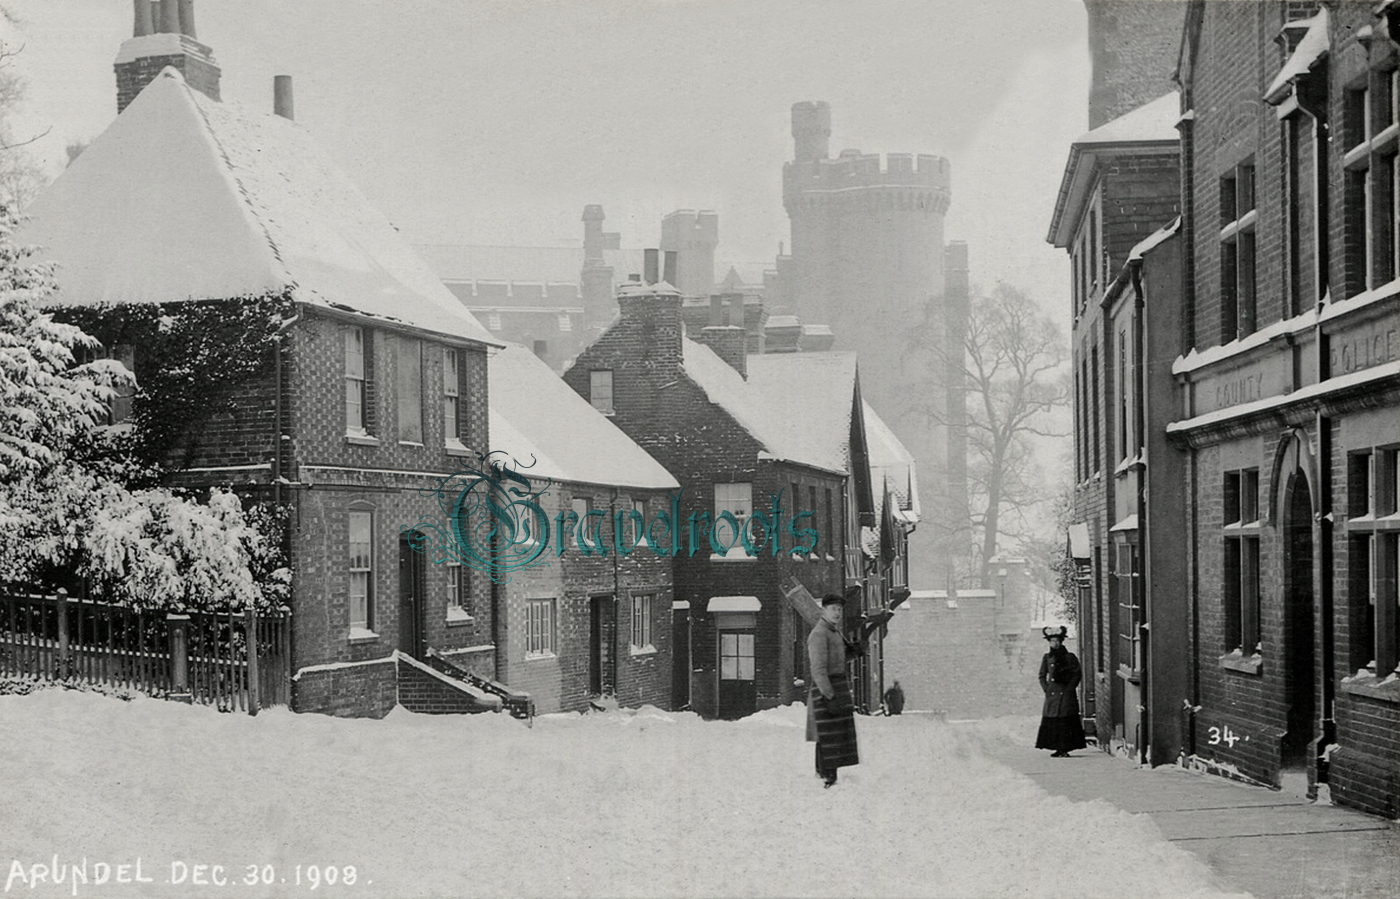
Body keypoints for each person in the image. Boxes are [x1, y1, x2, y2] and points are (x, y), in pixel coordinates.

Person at [806, 592, 859, 787]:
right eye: (833, 609)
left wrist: (852, 654)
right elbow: (819, 669)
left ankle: (825, 774)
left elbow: (836, 661)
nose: (837, 613)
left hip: (837, 684)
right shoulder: (819, 634)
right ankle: (826, 775)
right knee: (828, 733)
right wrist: (828, 695)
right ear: (823, 610)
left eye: (839, 609)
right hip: (826, 687)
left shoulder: (833, 632)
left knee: (834, 732)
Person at [1035, 625, 1087, 757]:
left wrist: (1070, 688)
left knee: (1066, 721)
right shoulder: (1047, 658)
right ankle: (1057, 748)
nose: (1055, 643)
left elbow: (1077, 674)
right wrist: (1046, 689)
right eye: (1052, 641)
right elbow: (1041, 675)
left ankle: (1065, 748)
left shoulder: (1070, 657)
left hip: (1066, 695)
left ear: (1061, 642)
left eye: (1057, 641)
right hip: (1052, 695)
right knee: (1054, 722)